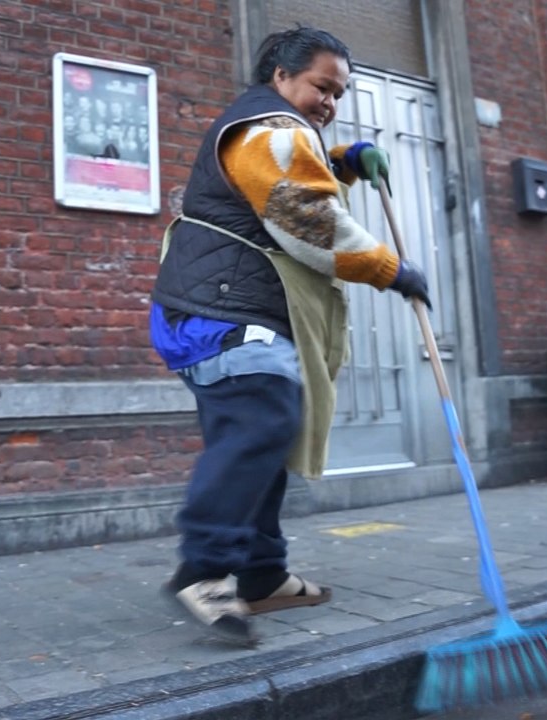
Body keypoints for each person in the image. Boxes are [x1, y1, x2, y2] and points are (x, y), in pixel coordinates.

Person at [149, 26, 431, 645]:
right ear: (280, 75)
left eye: (338, 94)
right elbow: (304, 217)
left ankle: (260, 573)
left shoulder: (271, 130)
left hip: (220, 306)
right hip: (221, 311)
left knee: (267, 435)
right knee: (263, 422)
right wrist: (391, 270)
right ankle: (204, 568)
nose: (329, 103)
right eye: (320, 87)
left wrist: (345, 162)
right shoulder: (268, 129)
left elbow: (284, 178)